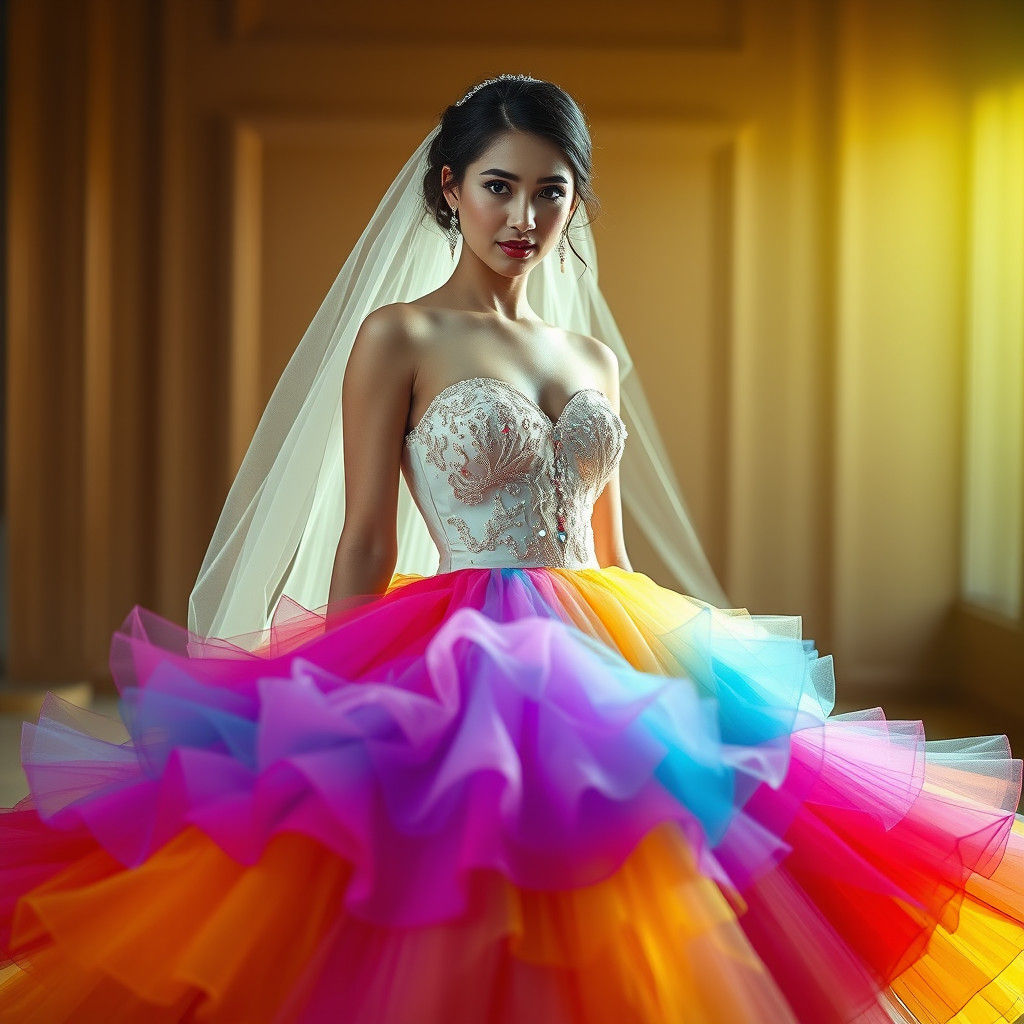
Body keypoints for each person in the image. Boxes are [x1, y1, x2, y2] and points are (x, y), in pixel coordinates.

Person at [1, 74, 1022, 1024]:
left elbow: (608, 543)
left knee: (672, 859)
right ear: (449, 189)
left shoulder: (591, 357)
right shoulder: (398, 336)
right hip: (459, 633)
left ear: (577, 202)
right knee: (454, 871)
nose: (524, 219)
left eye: (551, 193)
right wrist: (343, 692)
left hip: (603, 618)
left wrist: (663, 671)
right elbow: (364, 532)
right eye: (499, 187)